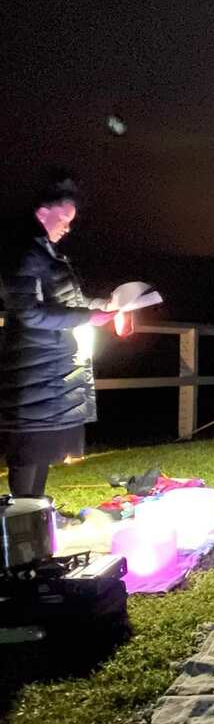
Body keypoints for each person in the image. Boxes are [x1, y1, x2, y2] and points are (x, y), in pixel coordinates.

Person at [1, 176, 117, 498]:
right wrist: (87, 317)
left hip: (51, 372)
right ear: (42, 213)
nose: (67, 227)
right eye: (64, 219)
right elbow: (27, 312)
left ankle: (35, 523)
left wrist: (103, 306)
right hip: (32, 372)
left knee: (39, 455)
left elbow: (65, 303)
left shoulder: (47, 254)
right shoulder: (24, 254)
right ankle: (24, 529)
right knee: (27, 454)